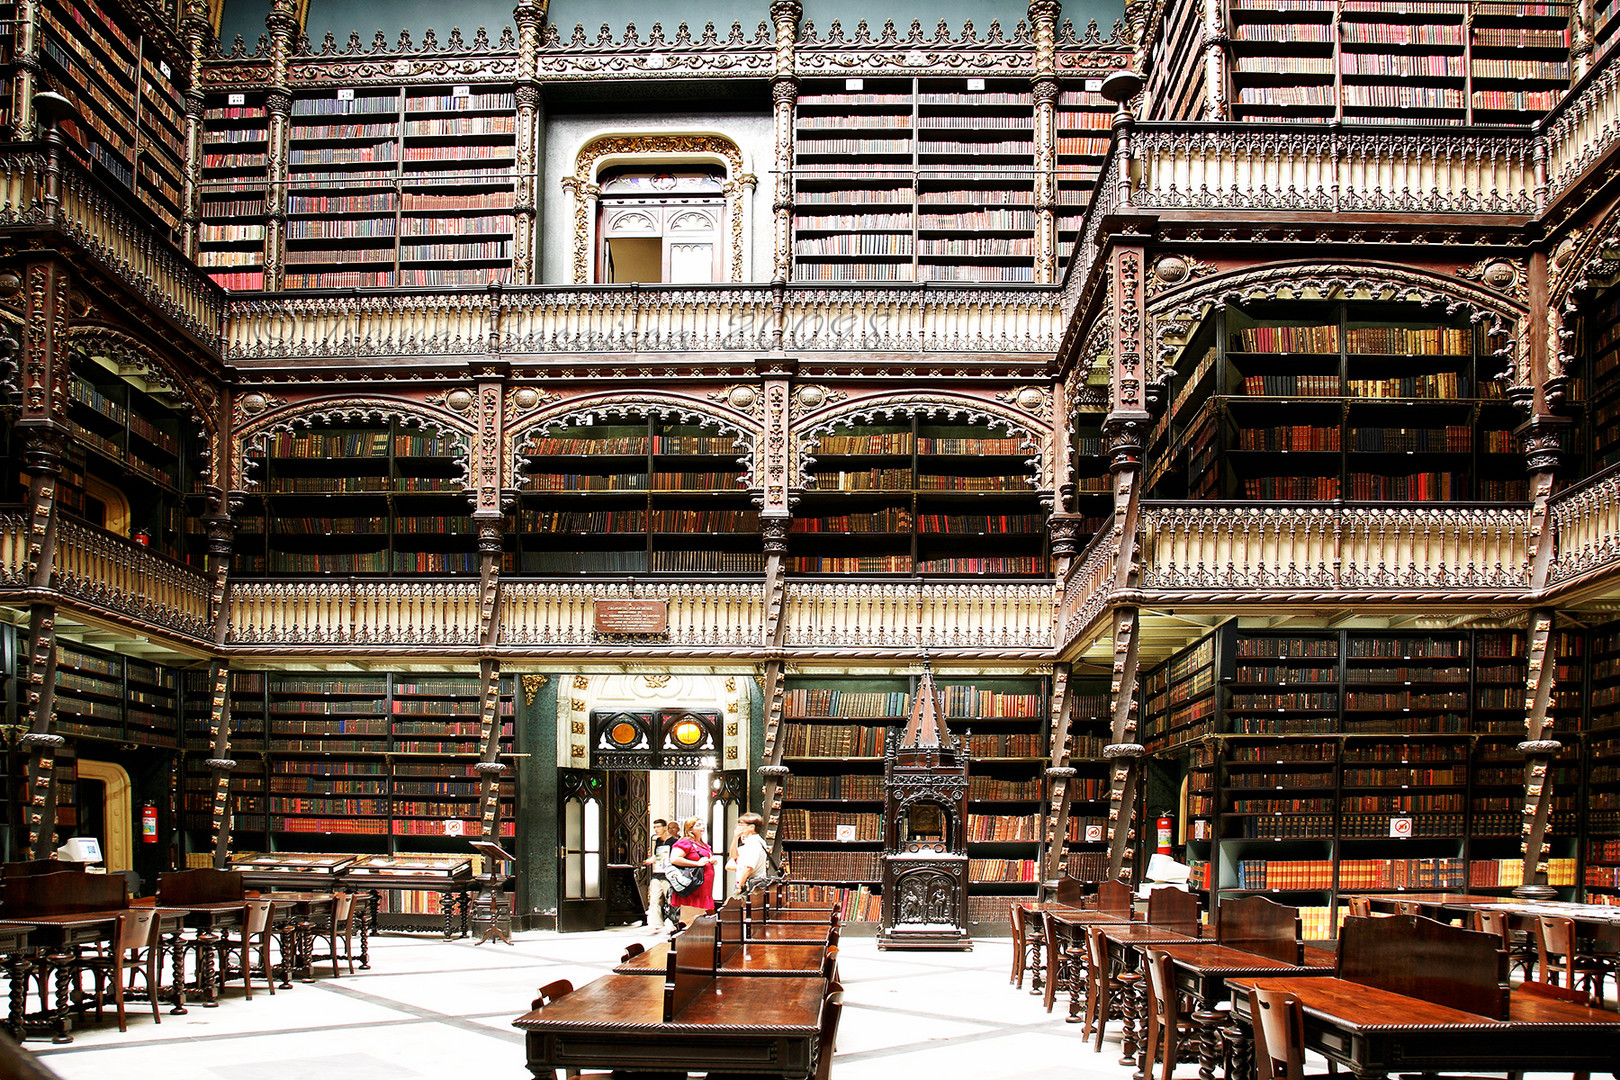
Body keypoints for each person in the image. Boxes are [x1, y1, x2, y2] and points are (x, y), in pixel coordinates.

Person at [668, 815, 718, 928]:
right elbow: (674, 858)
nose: (702, 827)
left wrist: (711, 861)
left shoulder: (703, 844)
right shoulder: (685, 843)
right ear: (690, 829)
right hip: (694, 886)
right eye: (698, 825)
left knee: (703, 913)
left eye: (703, 824)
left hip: (705, 887)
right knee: (691, 915)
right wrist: (697, 863)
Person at [642, 818, 675, 927]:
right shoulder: (658, 841)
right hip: (657, 873)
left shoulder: (673, 841)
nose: (656, 829)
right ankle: (656, 924)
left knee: (670, 900)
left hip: (669, 874)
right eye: (655, 827)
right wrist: (651, 860)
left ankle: (673, 921)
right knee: (654, 900)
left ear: (665, 828)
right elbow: (657, 855)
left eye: (658, 827)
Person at [732, 812, 769, 896]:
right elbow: (733, 856)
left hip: (749, 886)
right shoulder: (753, 841)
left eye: (742, 824)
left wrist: (739, 885)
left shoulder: (753, 843)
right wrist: (735, 838)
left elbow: (748, 867)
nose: (739, 827)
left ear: (752, 827)